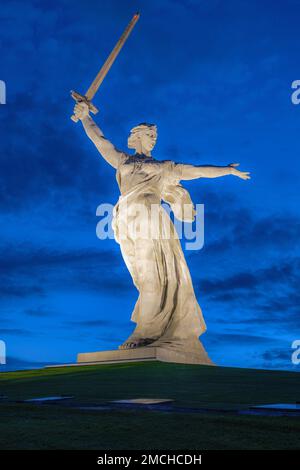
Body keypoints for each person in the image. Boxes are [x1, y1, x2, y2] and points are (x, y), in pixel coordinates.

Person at [73, 102, 250, 360]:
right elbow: (100, 141)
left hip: (150, 217)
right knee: (140, 276)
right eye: (149, 135)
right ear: (137, 137)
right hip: (125, 219)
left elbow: (197, 172)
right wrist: (85, 116)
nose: (153, 139)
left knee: (150, 275)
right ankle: (149, 327)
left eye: (154, 136)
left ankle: (146, 330)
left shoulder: (164, 167)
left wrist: (227, 171)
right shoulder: (123, 160)